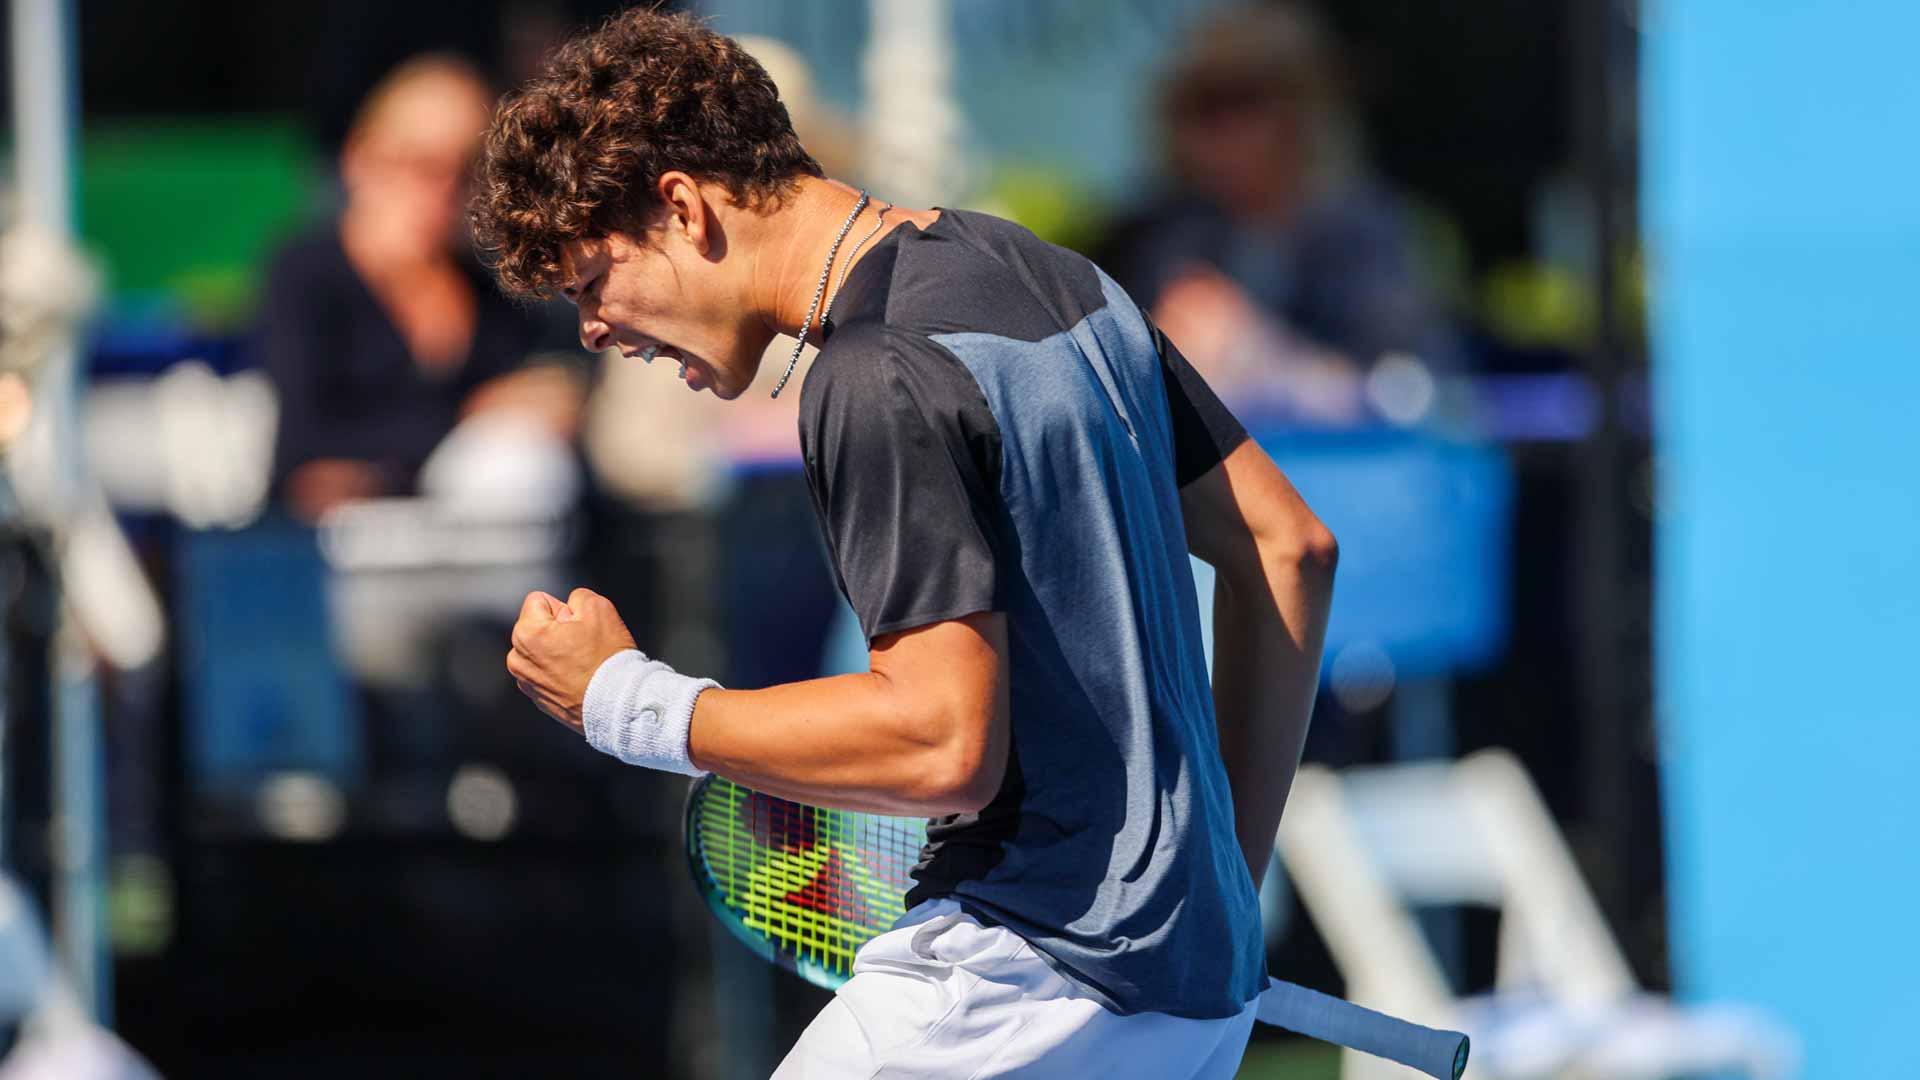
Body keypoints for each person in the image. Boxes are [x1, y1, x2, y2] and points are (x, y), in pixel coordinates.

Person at [479, 11, 1336, 1078]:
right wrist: (1217, 891)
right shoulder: (1050, 272)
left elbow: (940, 742)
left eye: (590, 285)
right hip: (1184, 1000)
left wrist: (626, 702)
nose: (594, 331)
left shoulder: (871, 375)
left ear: (683, 207)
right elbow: (1287, 545)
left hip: (1015, 986)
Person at [256, 54, 577, 524]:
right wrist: (472, 415)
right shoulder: (307, 275)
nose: (443, 190)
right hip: (331, 552)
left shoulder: (489, 292)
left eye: (467, 170)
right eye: (421, 163)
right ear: (359, 157)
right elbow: (306, 446)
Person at [1101, 4, 1460, 414]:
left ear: (1303, 108)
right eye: (1202, 105)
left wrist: (1266, 359)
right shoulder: (1162, 236)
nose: (1221, 131)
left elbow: (1419, 393)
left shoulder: (1364, 233)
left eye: (1244, 99)